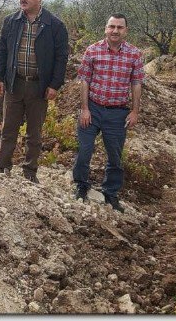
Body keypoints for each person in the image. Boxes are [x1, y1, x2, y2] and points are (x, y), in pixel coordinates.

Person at [0, 0, 69, 183]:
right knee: (8, 130)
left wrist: (54, 85)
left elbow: (61, 58)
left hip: (39, 87)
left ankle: (30, 172)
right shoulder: (11, 21)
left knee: (34, 133)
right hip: (13, 84)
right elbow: (2, 50)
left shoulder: (55, 25)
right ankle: (2, 169)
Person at [72, 13, 144, 212]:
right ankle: (81, 185)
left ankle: (111, 193)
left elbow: (136, 83)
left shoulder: (134, 54)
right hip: (93, 109)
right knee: (84, 150)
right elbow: (84, 80)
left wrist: (135, 111)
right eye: (112, 26)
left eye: (119, 27)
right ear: (105, 28)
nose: (115, 31)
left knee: (115, 156)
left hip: (117, 113)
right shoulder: (92, 51)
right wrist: (85, 109)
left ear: (126, 31)